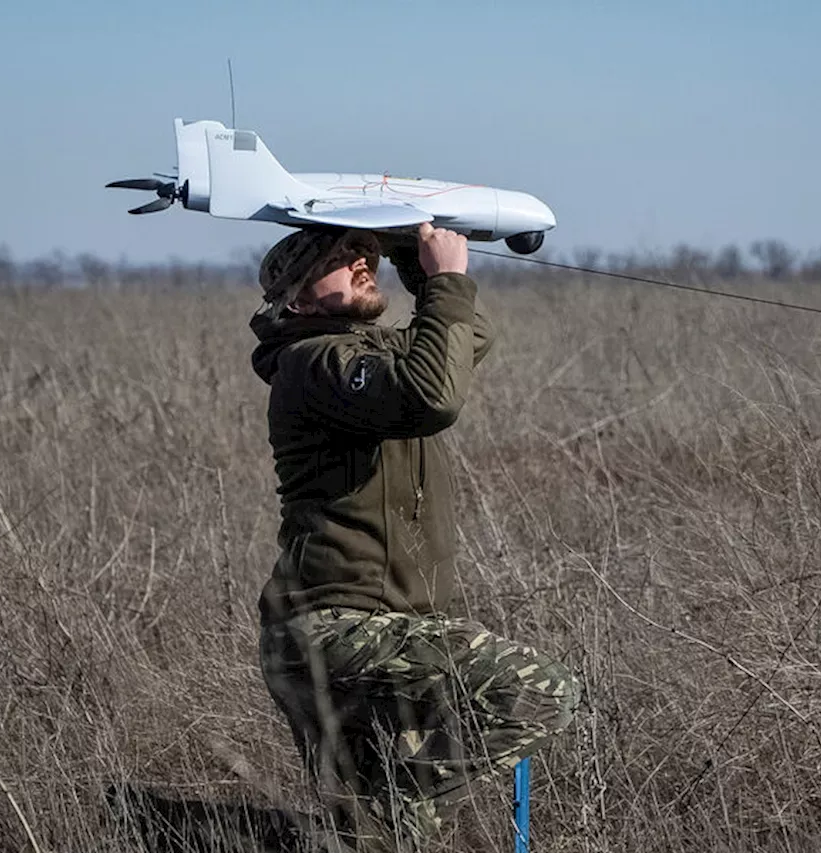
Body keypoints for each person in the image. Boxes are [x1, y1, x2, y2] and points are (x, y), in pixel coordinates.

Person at [248, 223, 579, 852]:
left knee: (372, 839)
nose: (360, 261)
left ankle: (380, 823)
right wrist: (447, 279)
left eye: (363, 251)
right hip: (337, 631)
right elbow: (434, 396)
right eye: (339, 258)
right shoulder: (314, 363)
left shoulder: (367, 359)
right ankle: (393, 809)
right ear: (297, 300)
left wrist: (410, 250)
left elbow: (465, 336)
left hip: (367, 631)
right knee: (540, 692)